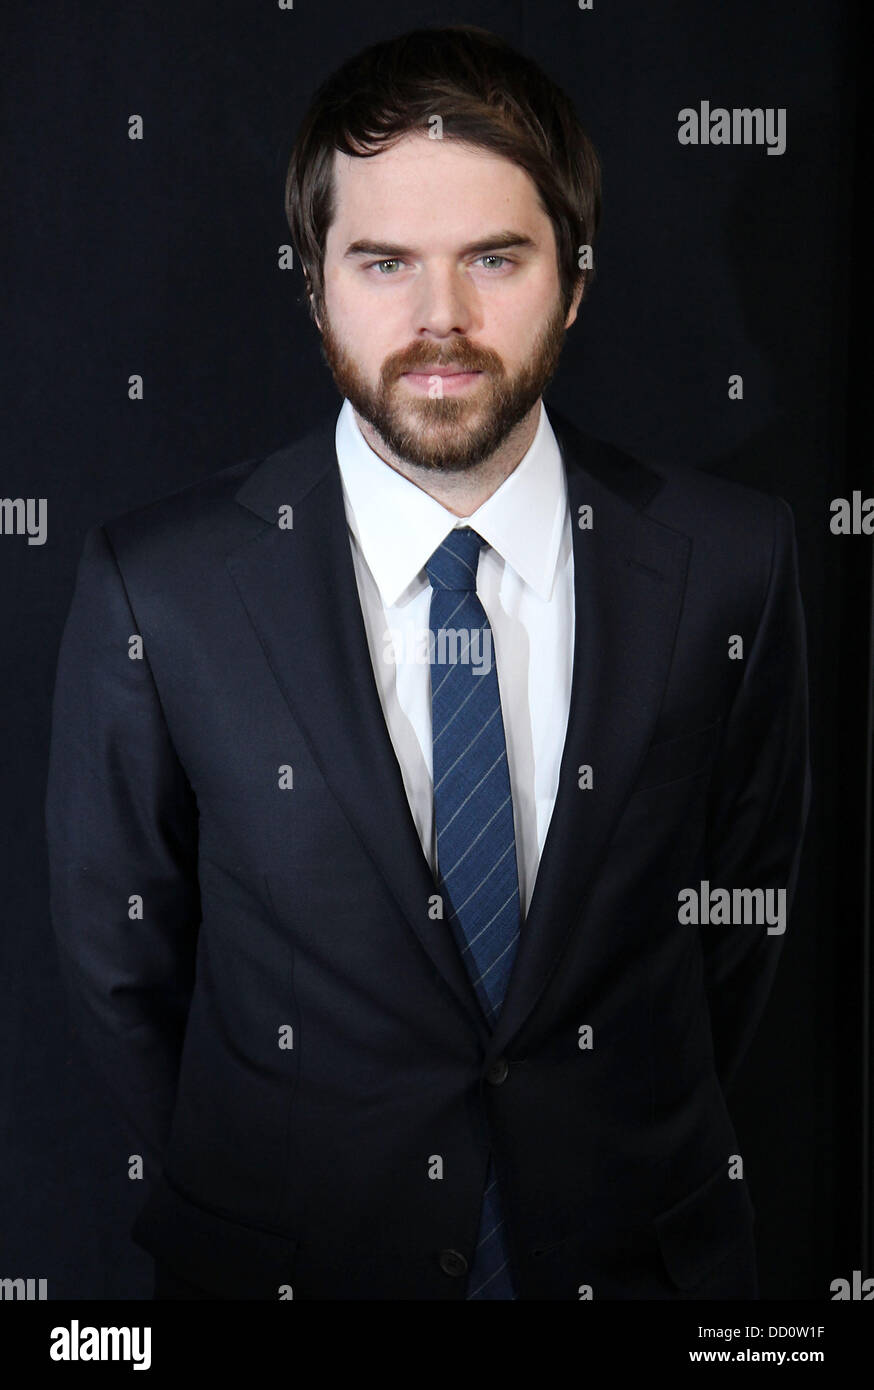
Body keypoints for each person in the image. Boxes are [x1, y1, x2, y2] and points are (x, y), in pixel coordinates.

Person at [45, 24, 811, 1300]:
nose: (439, 320)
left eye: (494, 259)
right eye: (384, 261)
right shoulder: (160, 584)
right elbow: (126, 965)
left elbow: (737, 924)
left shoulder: (731, 561)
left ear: (572, 279)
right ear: (315, 283)